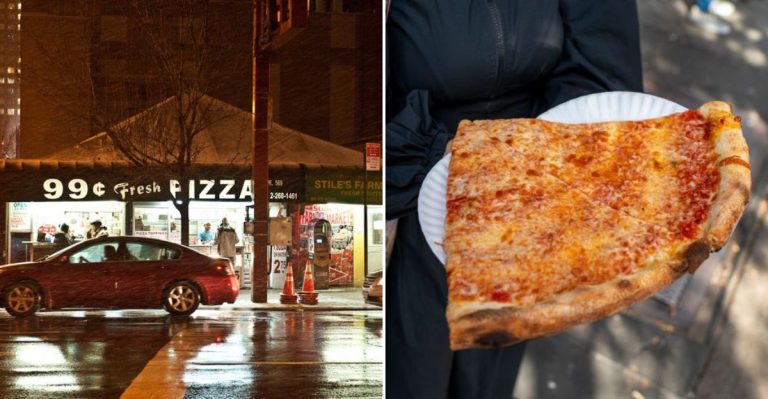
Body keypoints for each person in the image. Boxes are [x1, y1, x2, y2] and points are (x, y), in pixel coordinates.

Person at [386, 2, 643, 398]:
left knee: (486, 378)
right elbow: (325, 122)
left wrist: (541, 162)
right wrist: (442, 157)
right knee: (409, 374)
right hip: (401, 212)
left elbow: (600, 70)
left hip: (527, 203)